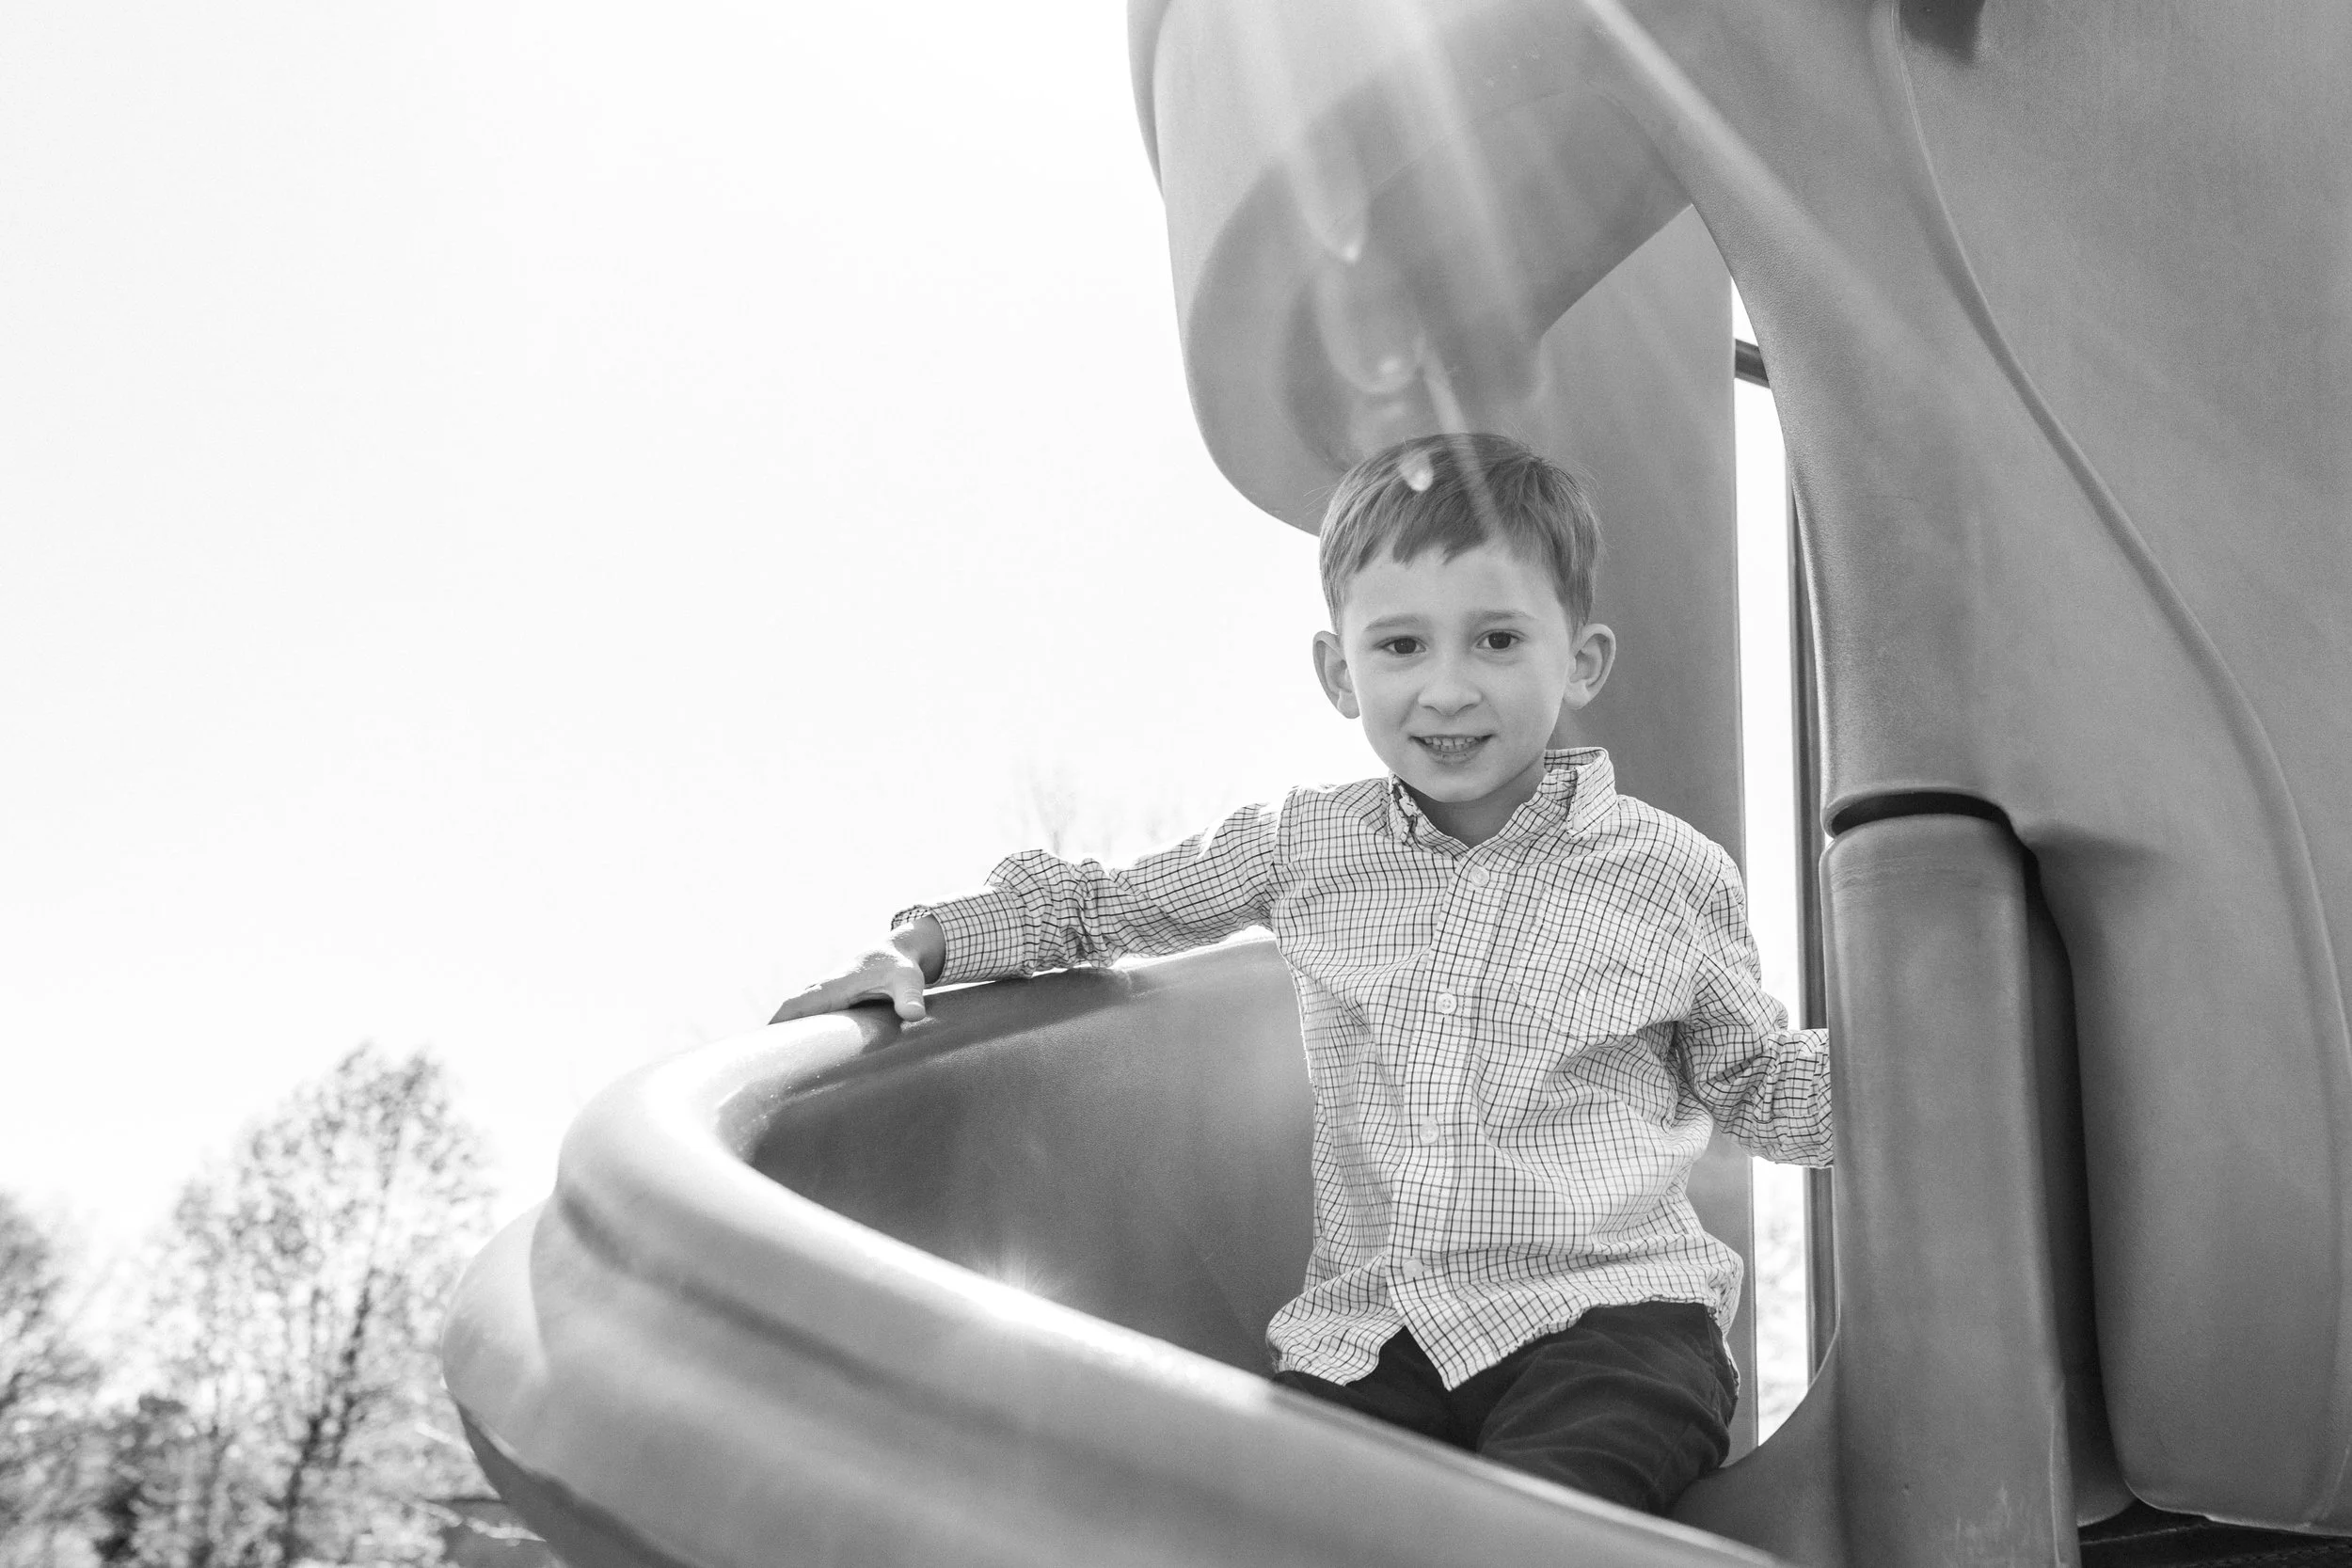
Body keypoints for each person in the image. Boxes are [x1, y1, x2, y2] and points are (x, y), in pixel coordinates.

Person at [771, 431, 1832, 1515]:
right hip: (1373, 1333)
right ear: (1340, 671)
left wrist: (1931, 1074)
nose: (1448, 687)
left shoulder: (1666, 872)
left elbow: (1755, 1080)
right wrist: (921, 944)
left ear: (1583, 659)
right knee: (1276, 1517)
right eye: (1401, 646)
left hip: (1607, 1320)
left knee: (1538, 1521)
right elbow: (1103, 903)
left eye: (1499, 639)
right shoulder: (1308, 846)